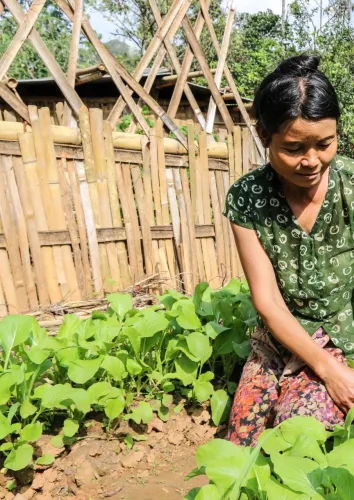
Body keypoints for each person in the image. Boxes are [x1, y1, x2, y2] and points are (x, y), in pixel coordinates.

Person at [223, 54, 354, 447]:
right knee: (242, 442)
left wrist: (337, 365)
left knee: (299, 433)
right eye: (294, 148)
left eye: (324, 144)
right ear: (265, 136)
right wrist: (324, 368)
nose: (311, 161)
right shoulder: (247, 198)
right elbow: (268, 302)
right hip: (279, 338)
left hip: (343, 333)